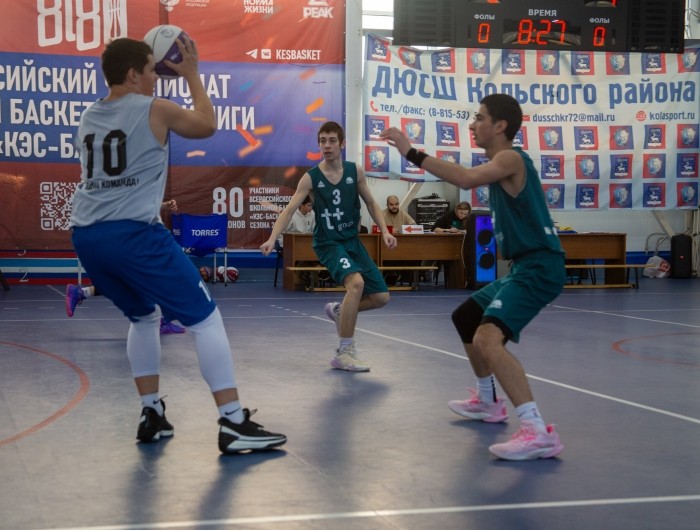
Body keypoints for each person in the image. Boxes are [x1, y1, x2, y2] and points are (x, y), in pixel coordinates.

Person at [68, 36, 286, 453]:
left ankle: (151, 412)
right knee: (206, 319)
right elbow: (206, 124)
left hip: (88, 237)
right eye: (152, 70)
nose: (157, 77)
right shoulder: (155, 109)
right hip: (134, 234)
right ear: (133, 74)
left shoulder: (89, 116)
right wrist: (191, 75)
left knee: (143, 317)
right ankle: (233, 423)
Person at [380, 93, 566, 461]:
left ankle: (536, 431)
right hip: (524, 267)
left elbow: (464, 180)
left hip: (540, 267)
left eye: (479, 117)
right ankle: (487, 402)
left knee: (487, 338)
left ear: (500, 125)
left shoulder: (510, 158)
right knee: (466, 317)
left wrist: (410, 152)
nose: (472, 124)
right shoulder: (499, 164)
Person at [261, 121, 397, 372]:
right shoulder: (311, 178)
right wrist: (272, 238)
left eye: (332, 140)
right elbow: (289, 210)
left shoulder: (354, 171)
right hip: (328, 242)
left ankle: (339, 311)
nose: (327, 146)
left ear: (342, 144)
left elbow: (371, 204)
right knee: (356, 284)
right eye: (322, 141)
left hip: (352, 241)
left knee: (381, 297)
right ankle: (344, 352)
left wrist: (386, 231)